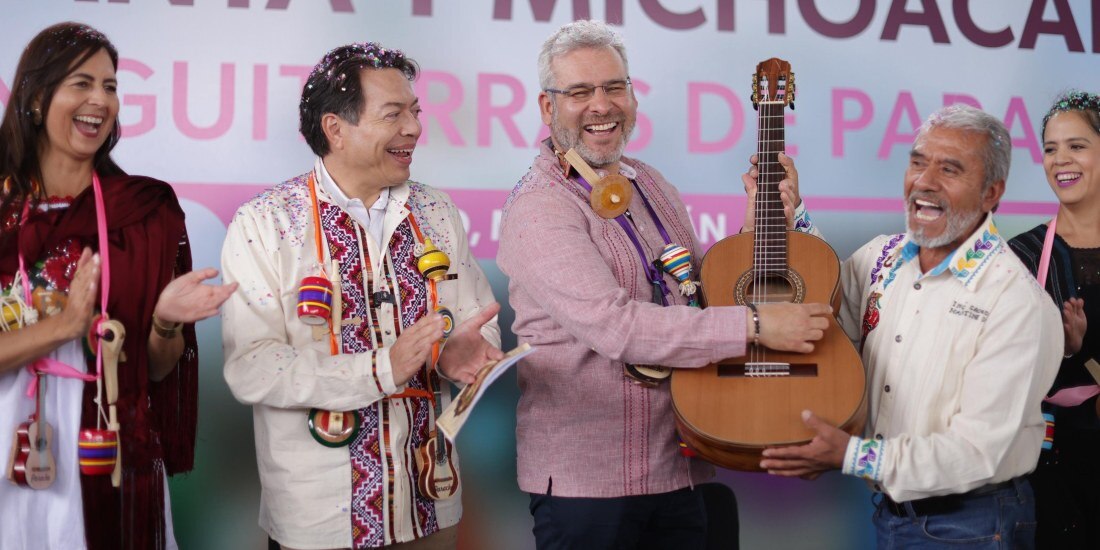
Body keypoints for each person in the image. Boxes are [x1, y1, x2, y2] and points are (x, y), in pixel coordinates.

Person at [496, 20, 835, 548]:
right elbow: (617, 327)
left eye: (614, 87)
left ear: (632, 95)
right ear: (547, 108)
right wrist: (760, 323)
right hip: (590, 493)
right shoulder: (539, 208)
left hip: (683, 467)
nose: (601, 105)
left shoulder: (650, 183)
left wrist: (758, 220)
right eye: (580, 92)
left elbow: (700, 296)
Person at [221, 42, 502, 550]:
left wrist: (460, 351)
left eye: (415, 112)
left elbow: (473, 318)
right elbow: (252, 366)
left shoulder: (435, 211)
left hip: (430, 505)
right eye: (393, 114)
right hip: (319, 521)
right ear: (335, 129)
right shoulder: (267, 222)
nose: (414, 128)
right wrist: (380, 368)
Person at [758, 104, 1063, 548]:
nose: (924, 181)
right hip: (890, 517)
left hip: (973, 525)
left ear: (991, 192)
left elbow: (976, 452)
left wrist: (850, 455)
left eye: (950, 169)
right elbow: (826, 311)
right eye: (918, 162)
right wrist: (790, 210)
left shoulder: (1015, 303)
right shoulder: (883, 257)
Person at [0, 22, 235, 549]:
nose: (100, 101)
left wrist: (165, 322)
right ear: (37, 98)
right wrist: (61, 328)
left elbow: (154, 366)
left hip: (107, 450)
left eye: (110, 86)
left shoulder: (144, 213)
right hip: (9, 447)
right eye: (81, 83)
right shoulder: (3, 212)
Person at [1008, 90, 1100, 549]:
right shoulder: (1020, 256)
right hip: (1052, 470)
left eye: (1076, 145)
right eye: (1050, 148)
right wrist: (1061, 349)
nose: (1060, 159)